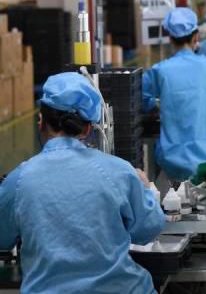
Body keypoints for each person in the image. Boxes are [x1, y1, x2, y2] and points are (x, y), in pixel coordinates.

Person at [0, 72, 165, 293]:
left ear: (40, 122)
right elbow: (149, 229)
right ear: (87, 129)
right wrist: (145, 188)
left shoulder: (19, 180)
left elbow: (2, 239)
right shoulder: (119, 171)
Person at [143, 8, 206, 182]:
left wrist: (158, 104)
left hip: (173, 160)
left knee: (174, 197)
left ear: (170, 38)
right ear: (196, 37)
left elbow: (143, 99)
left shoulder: (159, 70)